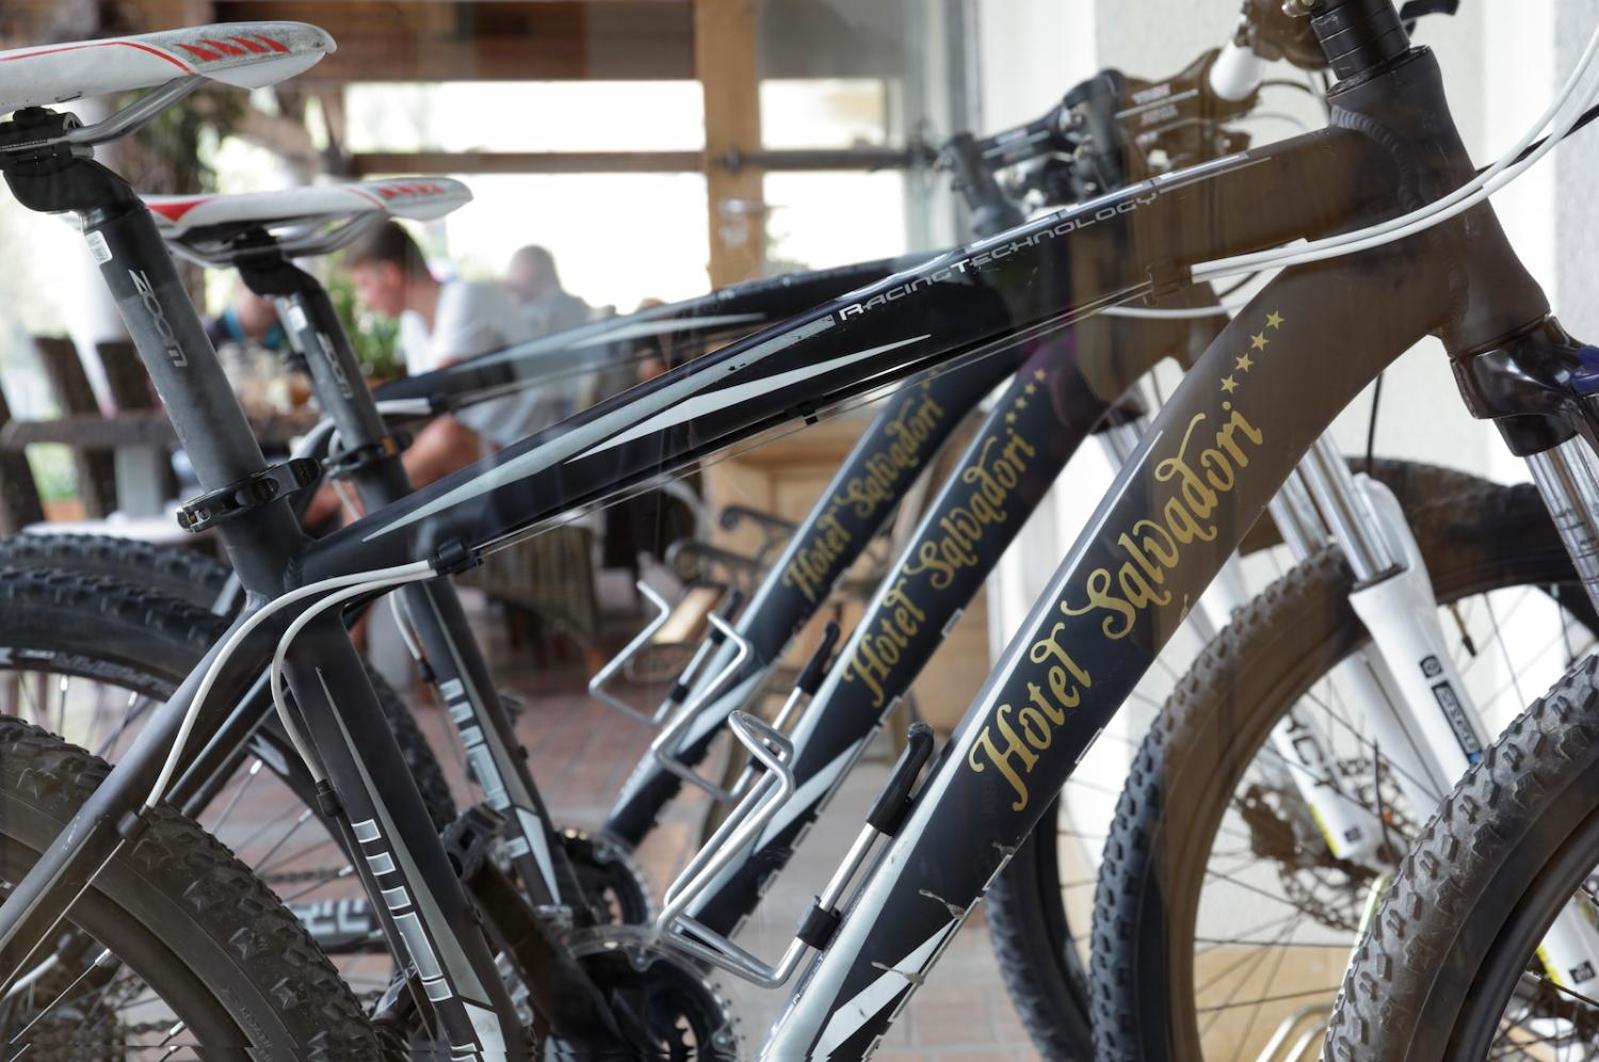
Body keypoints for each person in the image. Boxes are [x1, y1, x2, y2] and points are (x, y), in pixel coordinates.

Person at [303, 221, 538, 528]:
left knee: (442, 437)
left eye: (363, 284)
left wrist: (354, 394)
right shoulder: (412, 323)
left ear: (390, 274)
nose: (363, 298)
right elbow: (417, 402)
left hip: (521, 447)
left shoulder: (464, 297)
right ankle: (341, 505)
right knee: (378, 486)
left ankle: (330, 501)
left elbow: (436, 390)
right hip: (479, 448)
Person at [504, 244, 591, 338]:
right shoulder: (528, 308)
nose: (510, 279)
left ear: (530, 271)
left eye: (515, 270)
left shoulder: (565, 309)